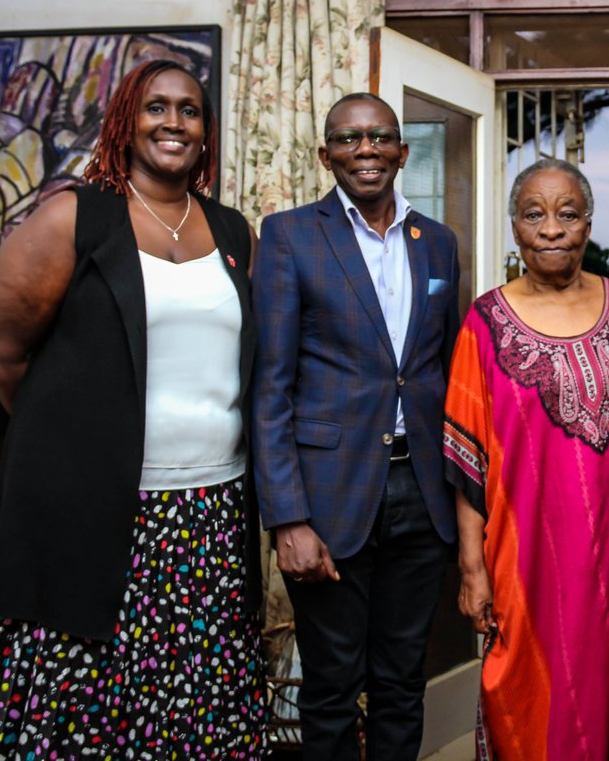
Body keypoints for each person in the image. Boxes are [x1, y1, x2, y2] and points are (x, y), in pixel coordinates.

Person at [0, 59, 266, 759]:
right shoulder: (74, 217)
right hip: (97, 511)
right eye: (156, 107)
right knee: (91, 697)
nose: (174, 122)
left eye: (189, 110)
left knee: (192, 695)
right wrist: (77, 442)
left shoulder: (232, 231)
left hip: (210, 514)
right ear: (125, 121)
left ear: (206, 130)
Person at [252, 93, 461, 760]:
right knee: (332, 687)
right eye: (347, 138)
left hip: (421, 497)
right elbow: (271, 384)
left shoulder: (439, 243)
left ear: (402, 152)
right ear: (326, 154)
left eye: (378, 137)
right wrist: (288, 518)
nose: (364, 149)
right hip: (329, 497)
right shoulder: (289, 236)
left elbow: (442, 370)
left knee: (403, 682)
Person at [444, 159, 609, 760]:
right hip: (523, 555)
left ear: (588, 225)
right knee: (526, 687)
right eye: (534, 215)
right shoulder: (485, 323)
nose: (552, 229)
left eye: (568, 214)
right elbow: (466, 458)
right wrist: (472, 567)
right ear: (514, 228)